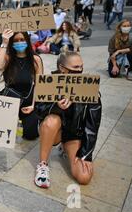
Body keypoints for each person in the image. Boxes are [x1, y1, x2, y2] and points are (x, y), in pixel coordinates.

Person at [34, 52, 101, 188]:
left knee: (84, 176)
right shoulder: (49, 84)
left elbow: (92, 125)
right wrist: (56, 106)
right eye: (75, 67)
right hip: (55, 131)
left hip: (74, 135)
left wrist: (85, 155)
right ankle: (42, 165)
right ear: (62, 68)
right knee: (51, 121)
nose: (79, 70)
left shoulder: (89, 88)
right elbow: (39, 110)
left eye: (81, 67)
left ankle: (66, 149)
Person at [0, 30, 43, 140]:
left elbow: (39, 85)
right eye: (16, 40)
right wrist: (4, 43)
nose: (19, 42)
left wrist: (33, 105)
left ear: (27, 40)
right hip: (10, 100)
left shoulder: (35, 60)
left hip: (28, 101)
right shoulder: (8, 58)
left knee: (30, 135)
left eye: (22, 40)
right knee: (1, 133)